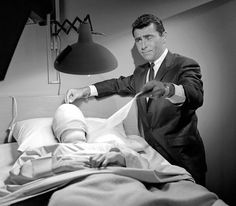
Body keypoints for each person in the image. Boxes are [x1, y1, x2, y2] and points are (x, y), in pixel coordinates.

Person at [65, 14, 207, 185]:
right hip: (153, 160)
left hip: (182, 159)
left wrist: (167, 90)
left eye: (148, 37)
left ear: (163, 37)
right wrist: (85, 90)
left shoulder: (184, 64)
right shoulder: (141, 72)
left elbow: (195, 96)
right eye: (138, 40)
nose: (143, 45)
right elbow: (118, 84)